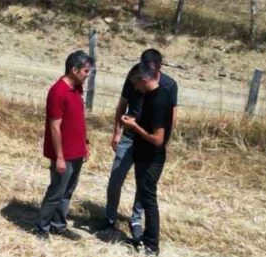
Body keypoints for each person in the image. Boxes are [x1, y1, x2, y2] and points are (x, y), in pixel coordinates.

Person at [101, 48, 178, 236]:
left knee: (143, 183)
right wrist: (117, 133)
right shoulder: (134, 75)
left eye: (149, 68)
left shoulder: (169, 85)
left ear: (158, 67)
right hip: (129, 137)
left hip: (150, 140)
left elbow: (172, 117)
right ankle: (109, 217)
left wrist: (164, 142)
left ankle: (136, 219)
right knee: (116, 177)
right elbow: (122, 105)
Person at [35, 51, 92, 241]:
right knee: (57, 191)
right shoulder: (58, 92)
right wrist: (59, 157)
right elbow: (55, 127)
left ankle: (58, 225)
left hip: (77, 150)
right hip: (63, 154)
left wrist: (85, 143)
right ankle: (42, 227)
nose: (87, 74)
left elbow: (79, 119)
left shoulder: (77, 89)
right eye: (85, 71)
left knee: (68, 191)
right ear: (74, 70)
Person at [120, 61, 175, 256]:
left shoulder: (158, 101)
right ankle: (145, 238)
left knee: (149, 200)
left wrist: (135, 128)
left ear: (144, 80)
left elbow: (158, 139)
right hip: (143, 154)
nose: (135, 88)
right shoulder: (153, 96)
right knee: (145, 196)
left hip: (152, 158)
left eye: (136, 84)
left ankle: (152, 245)